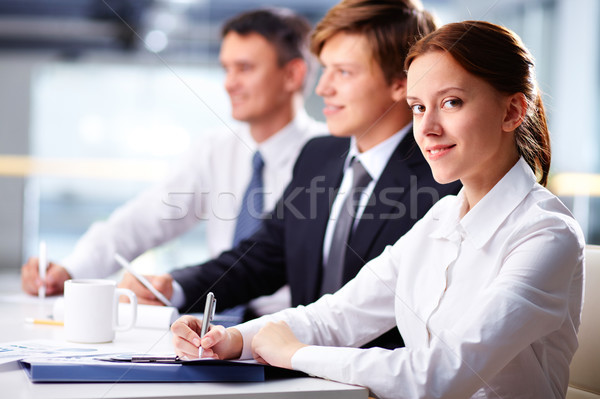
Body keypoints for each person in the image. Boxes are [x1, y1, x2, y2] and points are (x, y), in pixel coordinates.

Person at [171, 20, 586, 399]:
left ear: (512, 111)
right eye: (419, 107)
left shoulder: (545, 234)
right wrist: (231, 340)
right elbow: (335, 317)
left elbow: (440, 375)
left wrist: (296, 355)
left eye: (452, 102)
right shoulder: (440, 220)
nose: (427, 128)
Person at [125, 0, 461, 349]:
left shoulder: (443, 179)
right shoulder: (319, 155)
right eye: (325, 70)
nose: (323, 88)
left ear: (400, 83)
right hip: (300, 372)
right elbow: (265, 255)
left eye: (343, 72)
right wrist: (175, 285)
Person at [20, 8, 326, 312]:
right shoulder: (216, 149)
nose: (229, 83)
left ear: (292, 74)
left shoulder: (329, 158)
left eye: (244, 68)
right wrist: (72, 270)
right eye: (226, 68)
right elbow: (141, 221)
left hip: (287, 330)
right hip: (213, 322)